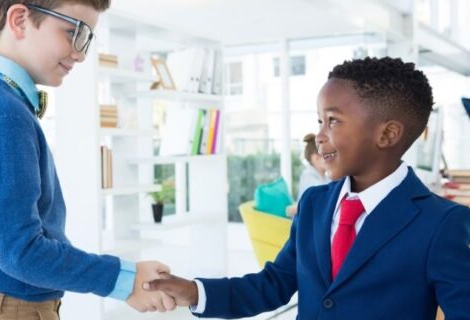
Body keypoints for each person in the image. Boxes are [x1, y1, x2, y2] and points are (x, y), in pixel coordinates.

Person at [143, 57, 470, 319]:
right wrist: (195, 292)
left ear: (387, 135)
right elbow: (274, 283)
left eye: (334, 121)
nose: (320, 135)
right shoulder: (314, 202)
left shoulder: (442, 223)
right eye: (319, 121)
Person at [0, 1, 174, 319]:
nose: (80, 53)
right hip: (9, 309)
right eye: (73, 32)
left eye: (87, 38)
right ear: (20, 19)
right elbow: (21, 252)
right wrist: (125, 280)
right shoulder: (2, 110)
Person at [297, 133, 328, 201]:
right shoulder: (308, 178)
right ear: (315, 158)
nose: (330, 158)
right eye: (326, 155)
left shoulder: (325, 178)